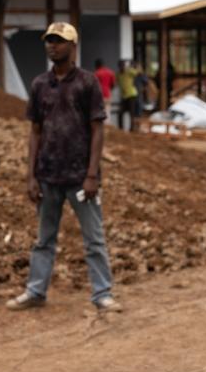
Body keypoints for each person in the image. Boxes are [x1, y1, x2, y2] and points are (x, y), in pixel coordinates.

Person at [6, 22, 121, 313]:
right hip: (48, 176)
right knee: (44, 239)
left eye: (58, 41)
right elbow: (35, 131)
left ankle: (102, 294)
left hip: (81, 178)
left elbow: (97, 130)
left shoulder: (87, 82)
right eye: (49, 41)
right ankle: (36, 291)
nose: (52, 46)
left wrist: (92, 174)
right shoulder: (40, 85)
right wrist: (30, 176)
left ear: (73, 46)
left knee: (94, 239)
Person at [117, 59, 138, 131]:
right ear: (119, 66)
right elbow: (117, 83)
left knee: (131, 113)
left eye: (123, 66)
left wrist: (132, 66)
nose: (122, 67)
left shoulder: (129, 71)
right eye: (120, 66)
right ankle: (121, 129)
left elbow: (136, 72)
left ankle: (132, 128)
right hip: (124, 96)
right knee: (120, 112)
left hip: (131, 95)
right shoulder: (118, 74)